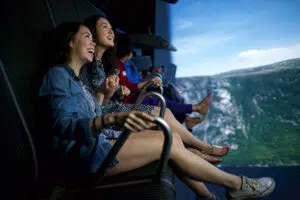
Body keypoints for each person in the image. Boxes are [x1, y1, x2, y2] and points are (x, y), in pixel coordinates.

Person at [40, 21, 275, 200]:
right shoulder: (59, 76)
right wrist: (112, 110)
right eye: (90, 35)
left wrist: (108, 96)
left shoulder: (80, 77)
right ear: (70, 41)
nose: (95, 40)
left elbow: (95, 107)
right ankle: (235, 183)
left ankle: (205, 172)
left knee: (167, 117)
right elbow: (66, 124)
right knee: (168, 137)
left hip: (109, 127)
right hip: (92, 150)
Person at [80, 15, 230, 164]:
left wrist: (117, 91)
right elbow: (95, 103)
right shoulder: (89, 65)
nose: (111, 32)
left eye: (111, 28)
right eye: (105, 27)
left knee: (166, 111)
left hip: (117, 107)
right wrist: (115, 92)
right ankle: (201, 145)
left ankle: (196, 146)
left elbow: (107, 95)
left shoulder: (104, 64)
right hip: (113, 114)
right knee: (158, 107)